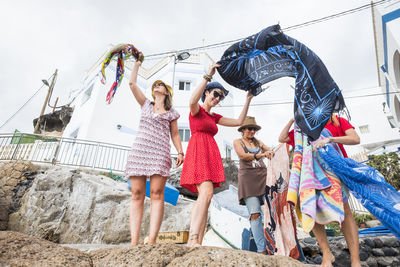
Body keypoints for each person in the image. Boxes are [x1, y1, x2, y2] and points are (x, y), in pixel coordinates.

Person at [180, 62, 254, 247]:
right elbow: (191, 101)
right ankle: (193, 239)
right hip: (198, 149)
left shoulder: (214, 117)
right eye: (215, 94)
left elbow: (238, 121)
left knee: (207, 195)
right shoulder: (197, 111)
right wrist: (208, 75)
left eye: (220, 97)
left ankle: (197, 239)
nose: (217, 98)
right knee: (205, 193)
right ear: (207, 92)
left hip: (209, 152)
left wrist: (248, 99)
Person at [280, 115, 361, 267]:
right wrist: (292, 120)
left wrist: (330, 139)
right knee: (312, 208)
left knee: (345, 211)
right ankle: (327, 254)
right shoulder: (303, 128)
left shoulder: (337, 121)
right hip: (311, 173)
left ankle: (355, 260)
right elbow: (282, 138)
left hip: (335, 170)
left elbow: (355, 139)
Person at [123, 47, 184, 246]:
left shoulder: (172, 113)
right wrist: (137, 64)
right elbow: (132, 84)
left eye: (161, 85)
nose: (158, 85)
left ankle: (152, 241)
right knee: (137, 194)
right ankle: (134, 242)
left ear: (166, 92)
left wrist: (180, 151)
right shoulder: (145, 105)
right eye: (156, 84)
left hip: (159, 152)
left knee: (157, 194)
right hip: (140, 151)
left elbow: (174, 134)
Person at [233, 116, 274, 254]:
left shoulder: (259, 142)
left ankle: (275, 244)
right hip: (248, 180)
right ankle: (261, 250)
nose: (252, 131)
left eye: (254, 129)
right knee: (255, 214)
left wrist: (271, 152)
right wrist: (261, 155)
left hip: (263, 177)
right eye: (250, 128)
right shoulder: (237, 142)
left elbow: (270, 152)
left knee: (273, 209)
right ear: (243, 129)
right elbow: (243, 156)